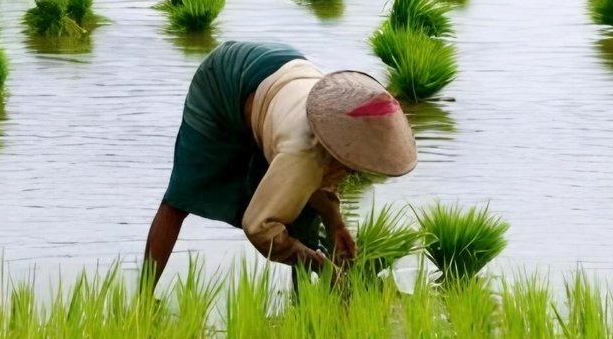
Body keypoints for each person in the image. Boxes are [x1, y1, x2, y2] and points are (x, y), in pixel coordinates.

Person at [144, 40, 418, 289]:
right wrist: (313, 261)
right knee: (180, 198)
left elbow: (318, 182)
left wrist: (335, 225)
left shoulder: (337, 131)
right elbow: (258, 227)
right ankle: (142, 303)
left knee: (304, 217)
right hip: (225, 78)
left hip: (285, 71)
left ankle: (304, 309)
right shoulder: (303, 151)